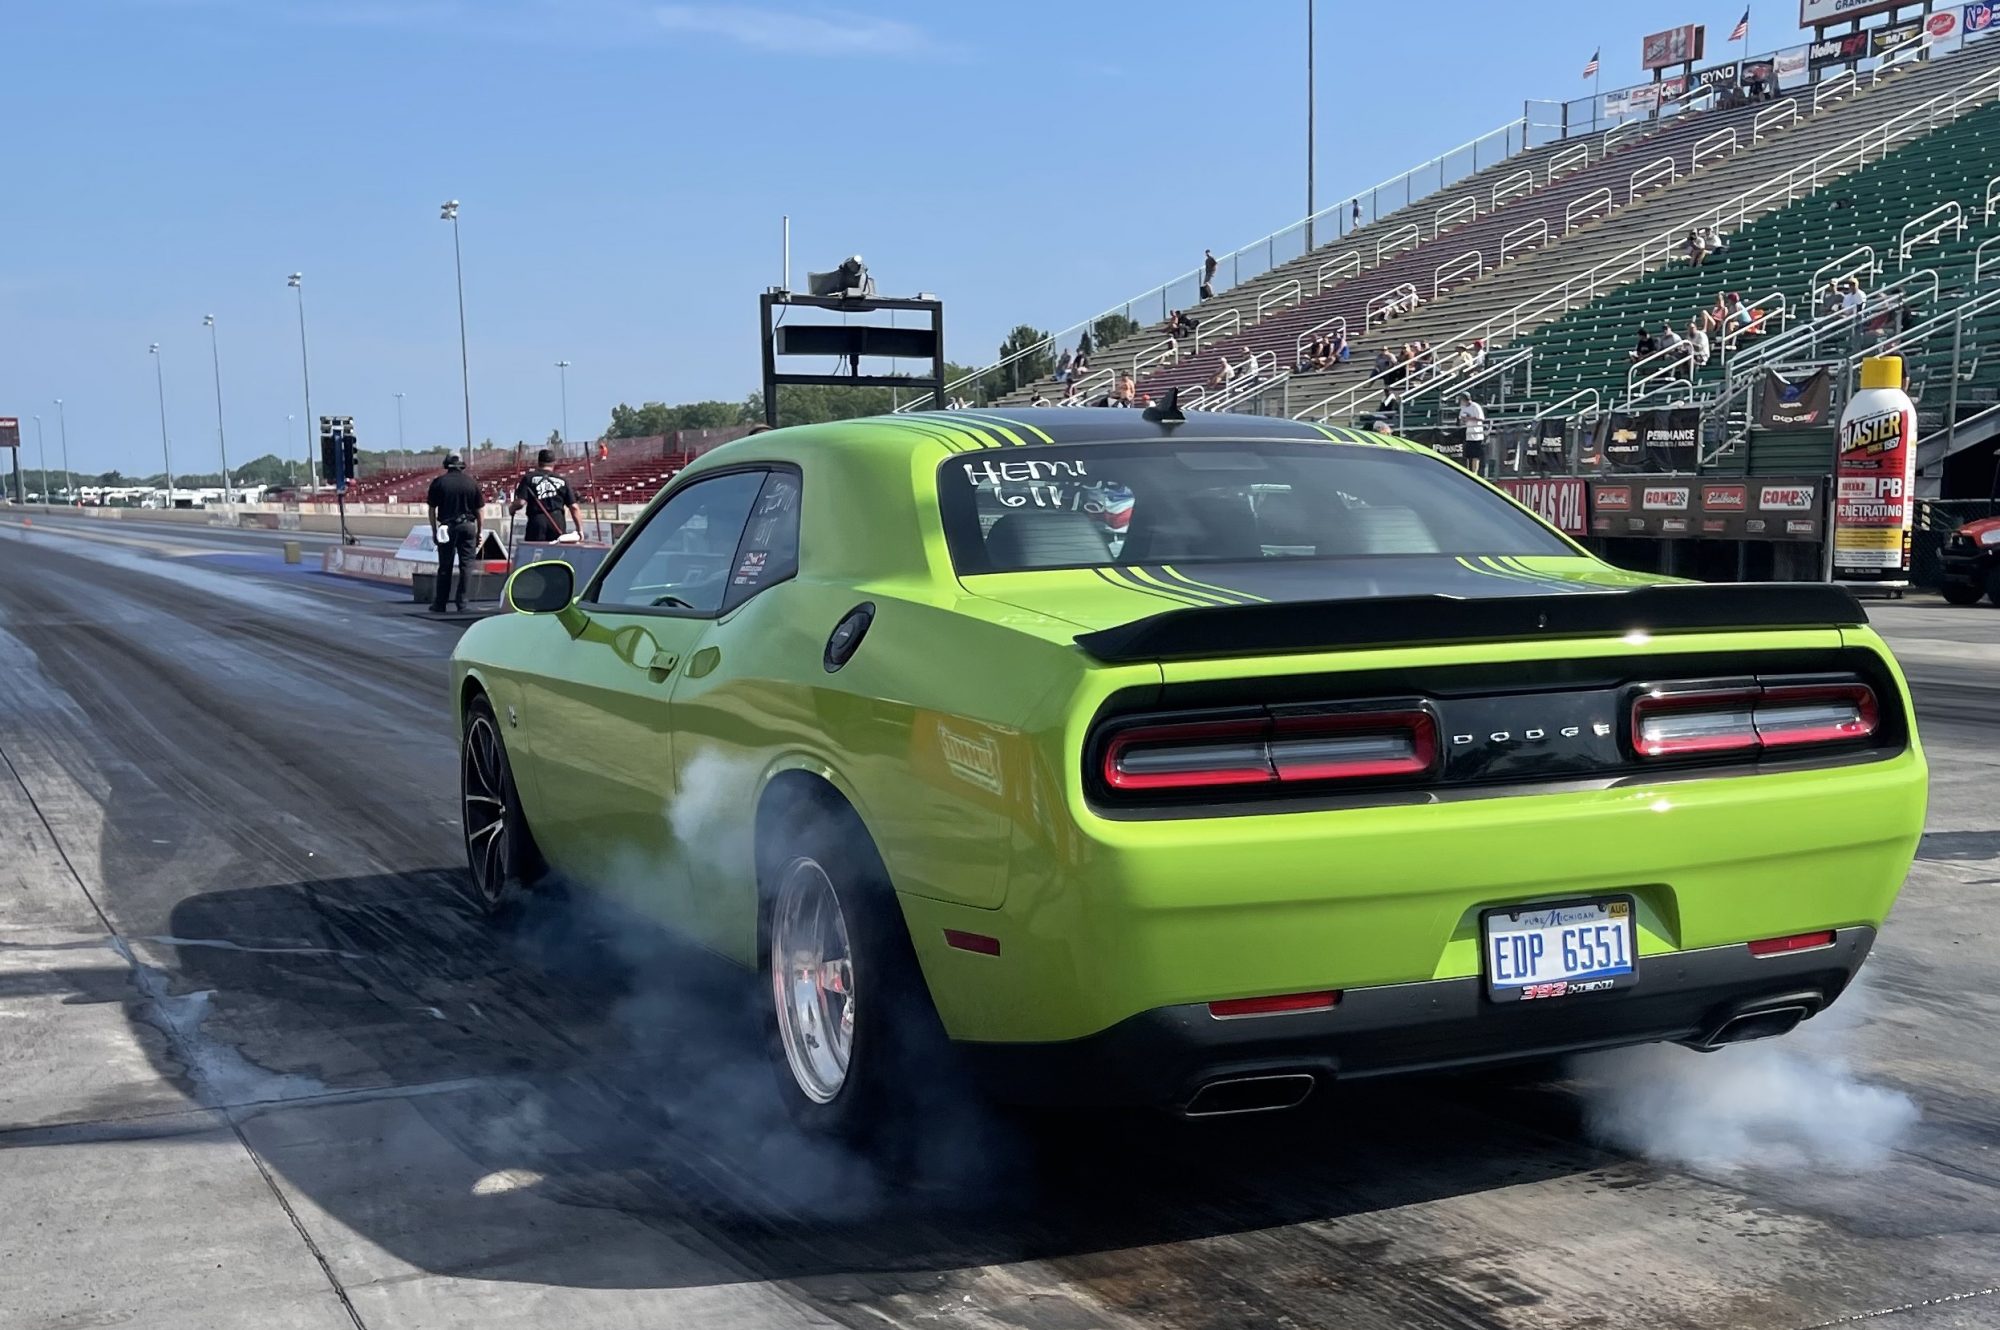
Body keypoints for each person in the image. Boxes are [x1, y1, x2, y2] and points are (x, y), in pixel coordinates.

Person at [426, 453, 484, 614]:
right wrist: (480, 531)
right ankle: (462, 603)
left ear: (446, 466)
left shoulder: (439, 482)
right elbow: (480, 511)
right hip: (467, 526)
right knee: (467, 566)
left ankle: (440, 603)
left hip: (447, 527)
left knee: (445, 566)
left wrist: (434, 530)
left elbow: (432, 509)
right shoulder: (471, 483)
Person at [511, 448, 583, 544]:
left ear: (539, 462)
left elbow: (520, 502)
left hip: (536, 521)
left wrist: (512, 508)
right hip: (557, 521)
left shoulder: (528, 478)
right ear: (554, 463)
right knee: (556, 554)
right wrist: (579, 530)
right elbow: (574, 507)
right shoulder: (562, 480)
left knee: (534, 552)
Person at [1458, 396, 1488, 474]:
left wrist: (1469, 418)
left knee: (1475, 456)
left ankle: (1475, 473)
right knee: (1468, 455)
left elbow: (1481, 418)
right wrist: (1463, 420)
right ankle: (1468, 472)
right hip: (1468, 434)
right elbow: (1461, 419)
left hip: (1477, 434)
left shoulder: (1475, 406)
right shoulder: (1463, 408)